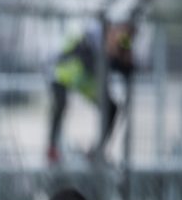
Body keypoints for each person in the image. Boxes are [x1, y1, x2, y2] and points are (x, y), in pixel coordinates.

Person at [48, 23, 135, 163]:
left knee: (111, 107)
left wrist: (124, 53)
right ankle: (52, 148)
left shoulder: (121, 40)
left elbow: (126, 66)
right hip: (65, 73)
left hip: (82, 78)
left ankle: (96, 151)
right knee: (60, 104)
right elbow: (96, 62)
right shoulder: (93, 35)